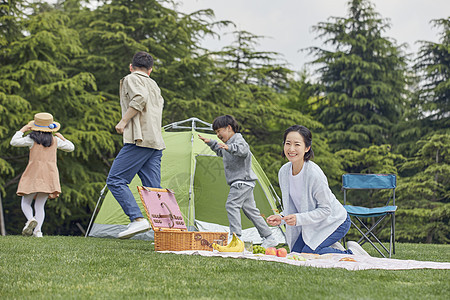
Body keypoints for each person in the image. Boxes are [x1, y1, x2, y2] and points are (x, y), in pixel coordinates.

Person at [266, 125, 369, 256]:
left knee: (307, 254)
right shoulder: (284, 172)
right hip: (312, 224)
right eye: (288, 143)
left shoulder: (314, 174)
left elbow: (326, 210)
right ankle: (327, 244)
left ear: (307, 148)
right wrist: (281, 218)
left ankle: (352, 253)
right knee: (295, 254)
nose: (291, 149)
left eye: (297, 144)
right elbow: (294, 206)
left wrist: (298, 219)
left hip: (334, 221)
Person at [106, 51, 165, 239]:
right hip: (155, 142)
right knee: (153, 190)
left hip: (139, 140)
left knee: (115, 180)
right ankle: (165, 232)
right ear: (151, 70)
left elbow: (139, 98)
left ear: (131, 67)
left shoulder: (132, 78)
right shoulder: (153, 84)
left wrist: (123, 121)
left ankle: (137, 219)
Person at [198, 115, 278, 248]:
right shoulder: (228, 144)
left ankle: (235, 237)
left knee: (231, 205)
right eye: (216, 133)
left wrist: (229, 147)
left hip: (242, 181)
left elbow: (244, 150)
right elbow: (221, 152)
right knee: (252, 212)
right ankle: (269, 237)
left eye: (219, 131)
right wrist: (210, 142)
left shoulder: (238, 140)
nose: (218, 135)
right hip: (243, 182)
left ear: (228, 128)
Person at [10, 112, 75, 237]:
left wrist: (23, 129)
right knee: (40, 205)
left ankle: (30, 219)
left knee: (25, 202)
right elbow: (71, 147)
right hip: (49, 175)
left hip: (33, 174)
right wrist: (63, 138)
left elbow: (14, 142)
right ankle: (38, 231)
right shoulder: (55, 141)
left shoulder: (31, 140)